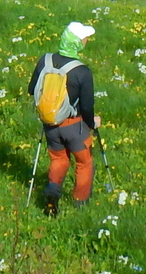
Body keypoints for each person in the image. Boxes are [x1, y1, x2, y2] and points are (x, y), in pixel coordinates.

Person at [29, 21, 98, 214]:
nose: (87, 40)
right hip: (74, 127)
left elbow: (31, 89)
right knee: (84, 162)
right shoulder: (82, 71)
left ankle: (52, 194)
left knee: (58, 160)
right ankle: (80, 204)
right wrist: (93, 123)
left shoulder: (45, 60)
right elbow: (86, 106)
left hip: (50, 125)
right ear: (76, 42)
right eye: (85, 38)